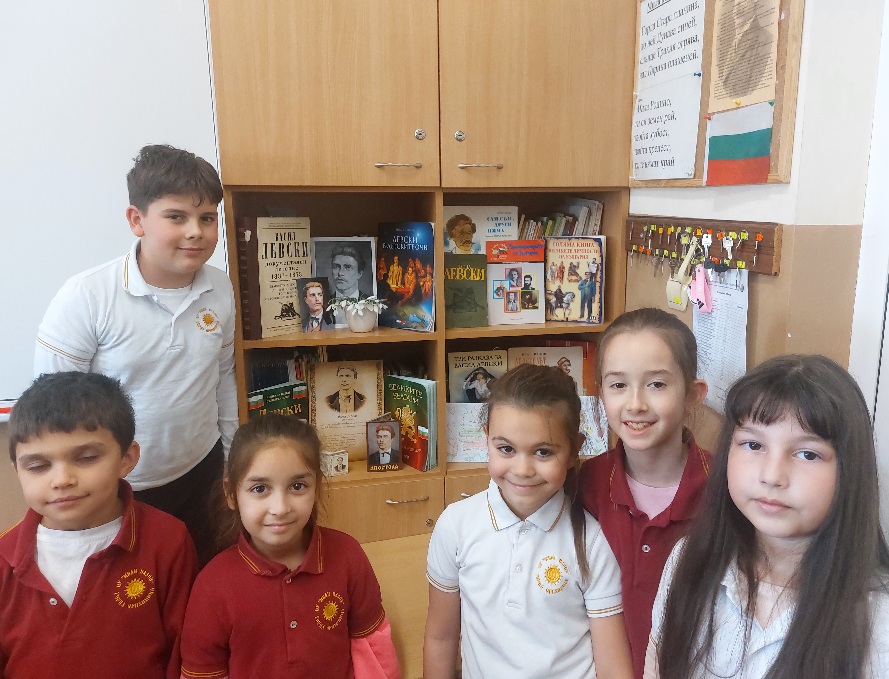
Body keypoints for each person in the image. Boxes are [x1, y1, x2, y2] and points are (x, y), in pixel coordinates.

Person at [34, 144, 235, 566]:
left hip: (202, 471)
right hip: (119, 489)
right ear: (136, 220)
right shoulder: (86, 297)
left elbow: (224, 378)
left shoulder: (221, 288)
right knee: (133, 594)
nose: (196, 231)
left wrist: (232, 460)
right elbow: (53, 413)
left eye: (207, 218)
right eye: (176, 217)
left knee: (199, 585)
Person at [646, 355, 889, 679]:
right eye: (753, 444)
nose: (772, 476)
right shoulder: (688, 561)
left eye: (807, 454)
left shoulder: (879, 617)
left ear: (850, 469)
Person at [425, 364, 633, 679]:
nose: (522, 470)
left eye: (543, 452)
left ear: (574, 450)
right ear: (486, 438)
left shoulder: (592, 540)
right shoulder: (455, 526)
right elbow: (441, 639)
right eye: (506, 449)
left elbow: (613, 668)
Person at [2, 372, 198, 679]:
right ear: (18, 470)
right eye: (38, 466)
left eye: (86, 458)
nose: (62, 480)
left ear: (126, 458)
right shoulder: (4, 556)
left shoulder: (167, 540)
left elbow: (184, 653)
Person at [180, 414, 399, 679]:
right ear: (231, 494)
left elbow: (373, 652)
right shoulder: (212, 585)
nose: (280, 508)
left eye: (297, 486)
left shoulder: (347, 556)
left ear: (317, 487)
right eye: (260, 489)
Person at [579, 308, 709, 678]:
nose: (635, 404)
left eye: (657, 385)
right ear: (600, 393)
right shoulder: (586, 484)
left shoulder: (727, 489)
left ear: (693, 394)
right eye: (618, 385)